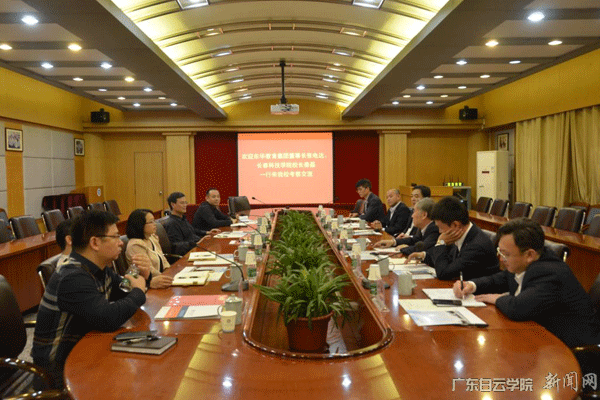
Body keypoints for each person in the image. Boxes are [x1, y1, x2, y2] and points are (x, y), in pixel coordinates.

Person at [32, 211, 150, 388]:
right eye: (115, 237)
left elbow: (123, 289)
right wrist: (139, 291)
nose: (121, 242)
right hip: (58, 370)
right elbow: (108, 318)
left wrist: (139, 274)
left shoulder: (97, 268)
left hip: (85, 350)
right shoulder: (72, 276)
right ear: (95, 242)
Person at [453, 218, 600, 348]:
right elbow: (502, 278)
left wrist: (497, 298)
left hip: (573, 350)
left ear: (529, 254)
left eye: (506, 254)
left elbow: (517, 308)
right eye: (500, 252)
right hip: (543, 339)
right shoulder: (526, 262)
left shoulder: (550, 272)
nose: (501, 258)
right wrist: (472, 285)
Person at [408, 196, 498, 280]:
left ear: (455, 225)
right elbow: (447, 259)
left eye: (440, 227)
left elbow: (443, 273)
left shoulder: (476, 246)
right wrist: (424, 256)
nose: (440, 232)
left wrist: (440, 243)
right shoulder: (459, 234)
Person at [126, 209, 174, 289]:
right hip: (148, 285)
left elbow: (163, 258)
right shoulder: (135, 245)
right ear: (140, 225)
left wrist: (169, 271)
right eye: (151, 222)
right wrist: (164, 276)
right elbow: (148, 269)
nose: (155, 224)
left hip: (161, 280)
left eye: (154, 221)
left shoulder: (151, 238)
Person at [374, 198, 439, 255]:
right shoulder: (422, 228)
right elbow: (413, 240)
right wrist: (393, 242)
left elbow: (422, 248)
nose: (412, 216)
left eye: (414, 212)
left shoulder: (434, 229)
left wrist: (404, 249)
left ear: (424, 215)